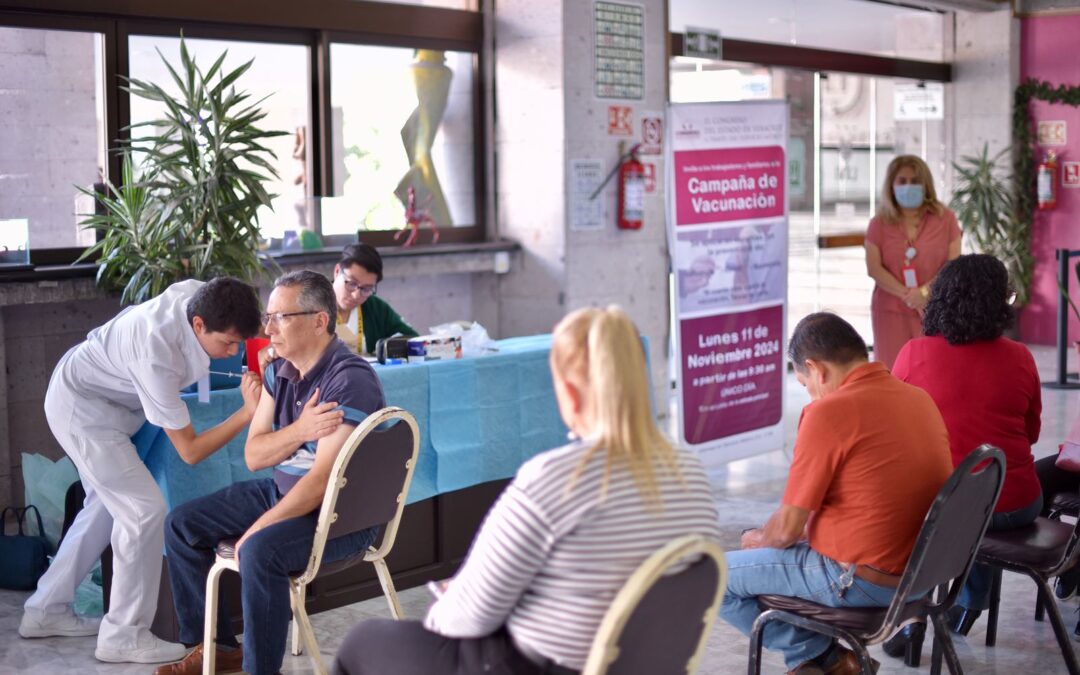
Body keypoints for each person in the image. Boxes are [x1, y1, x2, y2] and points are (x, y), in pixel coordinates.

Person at [330, 306, 722, 674]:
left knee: (361, 643)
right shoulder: (689, 469)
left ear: (568, 392)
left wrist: (449, 598)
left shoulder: (555, 478)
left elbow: (465, 619)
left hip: (533, 664)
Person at [19, 278, 263, 664]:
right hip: (83, 409)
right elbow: (191, 450)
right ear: (199, 325)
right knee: (143, 510)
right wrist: (247, 414)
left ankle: (46, 609)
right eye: (228, 343)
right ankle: (123, 634)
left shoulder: (202, 296)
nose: (234, 352)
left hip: (107, 401)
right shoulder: (156, 350)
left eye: (240, 343)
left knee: (104, 508)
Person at [155, 271, 386, 675]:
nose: (267, 329)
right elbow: (254, 455)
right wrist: (299, 431)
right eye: (268, 317)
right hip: (283, 493)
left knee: (260, 550)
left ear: (319, 320)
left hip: (339, 516)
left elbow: (320, 485)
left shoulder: (349, 380)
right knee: (181, 525)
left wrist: (255, 531)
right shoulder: (283, 371)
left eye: (280, 317)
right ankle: (217, 648)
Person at [720, 312, 952, 675]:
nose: (810, 393)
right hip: (921, 578)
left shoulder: (829, 411)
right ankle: (831, 663)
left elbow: (787, 531)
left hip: (860, 581)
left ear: (816, 368)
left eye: (805, 383)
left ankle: (827, 661)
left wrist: (757, 539)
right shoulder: (918, 398)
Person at [890, 254, 1041, 648]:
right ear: (1000, 301)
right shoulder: (1021, 357)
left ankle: (911, 618)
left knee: (930, 513)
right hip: (1018, 502)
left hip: (943, 505)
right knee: (976, 505)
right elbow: (1031, 433)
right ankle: (972, 598)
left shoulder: (913, 354)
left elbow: (894, 431)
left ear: (940, 298)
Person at [865, 155, 961, 369]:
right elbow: (874, 268)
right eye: (902, 181)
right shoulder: (879, 223)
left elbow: (953, 264)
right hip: (890, 310)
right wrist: (910, 296)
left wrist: (925, 293)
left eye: (915, 181)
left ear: (925, 184)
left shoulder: (946, 219)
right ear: (891, 185)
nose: (909, 186)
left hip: (935, 307)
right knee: (893, 371)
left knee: (932, 370)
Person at [333, 243, 418, 354]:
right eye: (352, 283)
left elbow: (413, 340)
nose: (356, 295)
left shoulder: (375, 308)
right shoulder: (311, 304)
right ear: (337, 271)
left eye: (366, 289)